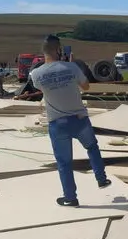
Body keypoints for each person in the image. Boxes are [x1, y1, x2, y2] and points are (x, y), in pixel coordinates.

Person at [30, 34, 111, 207]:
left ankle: (70, 197)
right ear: (59, 49)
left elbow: (40, 87)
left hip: (57, 124)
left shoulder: (36, 74)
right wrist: (71, 66)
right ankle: (101, 179)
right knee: (92, 147)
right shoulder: (72, 67)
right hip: (80, 119)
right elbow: (86, 86)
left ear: (43, 51)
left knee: (64, 162)